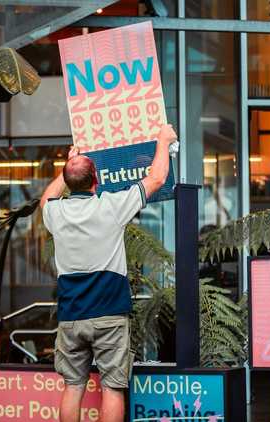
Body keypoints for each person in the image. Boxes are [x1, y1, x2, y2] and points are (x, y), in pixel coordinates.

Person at [40, 124, 178, 422]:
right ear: (97, 181)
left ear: (67, 181)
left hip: (71, 316)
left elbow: (46, 198)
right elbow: (156, 179)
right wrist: (163, 141)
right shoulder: (111, 207)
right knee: (113, 388)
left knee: (73, 387)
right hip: (109, 315)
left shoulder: (55, 213)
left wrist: (66, 167)